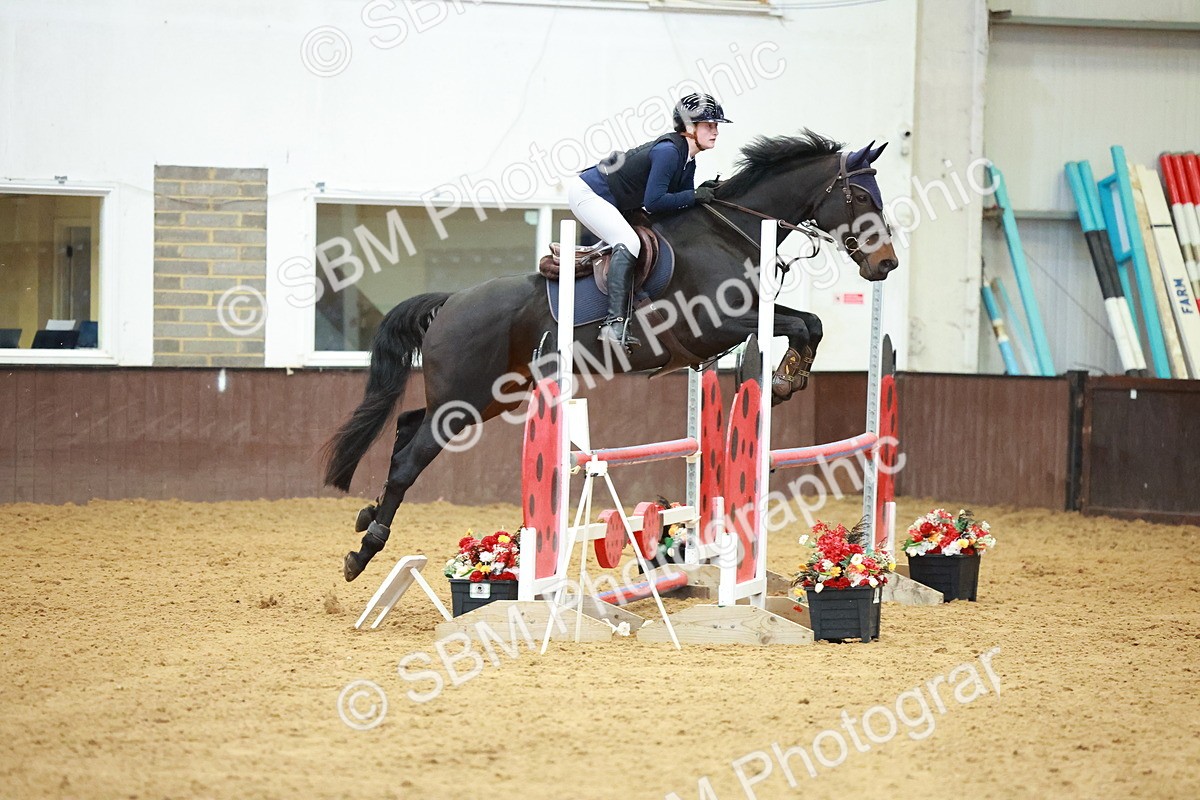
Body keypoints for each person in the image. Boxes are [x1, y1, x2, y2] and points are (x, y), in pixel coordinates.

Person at [568, 92, 731, 349]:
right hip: (590, 193)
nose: (716, 131)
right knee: (629, 242)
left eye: (716, 126)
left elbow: (677, 206)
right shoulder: (668, 152)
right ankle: (614, 323)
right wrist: (694, 196)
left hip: (613, 199)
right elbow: (654, 202)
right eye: (710, 125)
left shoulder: (688, 161)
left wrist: (700, 195)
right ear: (689, 127)